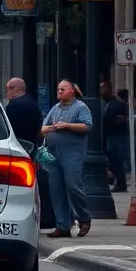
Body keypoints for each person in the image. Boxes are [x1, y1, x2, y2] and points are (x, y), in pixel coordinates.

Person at [41, 79, 93, 238]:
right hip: (53, 152)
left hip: (72, 153)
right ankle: (63, 225)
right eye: (58, 89)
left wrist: (67, 125)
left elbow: (87, 126)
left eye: (63, 89)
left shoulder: (80, 107)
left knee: (73, 186)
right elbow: (43, 129)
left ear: (72, 91)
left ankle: (84, 218)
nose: (59, 92)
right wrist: (50, 128)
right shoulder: (55, 108)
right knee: (56, 189)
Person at [6, 77, 50, 230]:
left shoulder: (13, 106)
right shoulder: (33, 105)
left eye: (9, 88)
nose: (7, 92)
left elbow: (9, 129)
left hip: (17, 147)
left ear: (15, 89)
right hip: (32, 147)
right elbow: (38, 127)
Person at [99, 81, 129, 193]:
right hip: (107, 135)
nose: (101, 90)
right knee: (111, 159)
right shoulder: (102, 103)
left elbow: (123, 119)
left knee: (117, 159)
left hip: (117, 136)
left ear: (109, 88)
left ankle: (121, 183)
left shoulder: (118, 103)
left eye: (103, 88)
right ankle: (115, 180)